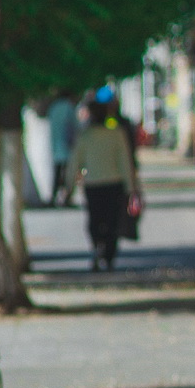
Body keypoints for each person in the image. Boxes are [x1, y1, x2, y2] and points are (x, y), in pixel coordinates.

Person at [65, 97, 141, 272]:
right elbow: (125, 162)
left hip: (93, 186)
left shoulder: (85, 136)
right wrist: (131, 188)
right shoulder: (116, 134)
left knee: (94, 219)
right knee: (112, 220)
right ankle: (108, 255)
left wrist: (69, 186)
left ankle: (97, 248)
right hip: (114, 184)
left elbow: (74, 163)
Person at [46, 91, 78, 206]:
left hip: (55, 147)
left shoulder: (53, 107)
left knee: (57, 173)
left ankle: (53, 197)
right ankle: (67, 198)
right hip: (67, 147)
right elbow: (75, 126)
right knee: (68, 175)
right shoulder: (69, 107)